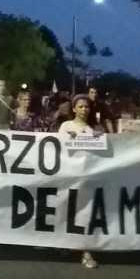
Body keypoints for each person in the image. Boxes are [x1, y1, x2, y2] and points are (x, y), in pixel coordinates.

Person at [58, 94, 102, 269]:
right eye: (81, 106)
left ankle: (86, 252)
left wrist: (101, 137)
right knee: (67, 212)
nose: (84, 109)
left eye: (87, 107)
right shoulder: (66, 126)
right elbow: (59, 148)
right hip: (69, 175)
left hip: (87, 177)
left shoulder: (94, 129)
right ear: (74, 109)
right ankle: (66, 244)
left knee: (85, 214)